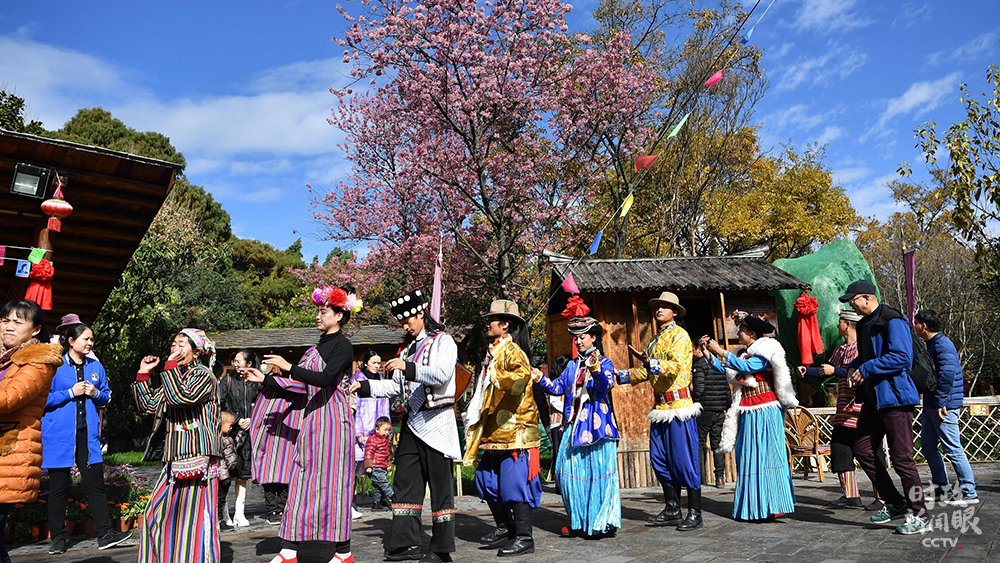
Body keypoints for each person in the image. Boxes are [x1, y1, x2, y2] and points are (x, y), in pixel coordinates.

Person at [242, 286, 360, 563]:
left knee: (335, 487)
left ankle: (343, 553)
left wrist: (288, 365)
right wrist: (266, 380)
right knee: (302, 483)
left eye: (324, 311)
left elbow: (325, 379)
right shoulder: (316, 347)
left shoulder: (343, 346)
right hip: (313, 422)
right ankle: (288, 551)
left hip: (334, 424)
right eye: (318, 311)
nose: (318, 316)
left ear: (340, 315)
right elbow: (302, 385)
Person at [350, 289, 460, 563]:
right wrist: (363, 386)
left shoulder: (443, 341)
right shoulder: (409, 349)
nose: (405, 326)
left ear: (421, 314)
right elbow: (395, 386)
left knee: (440, 487)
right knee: (404, 482)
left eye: (408, 320)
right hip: (413, 422)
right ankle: (406, 543)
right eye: (401, 322)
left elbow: (442, 374)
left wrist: (407, 367)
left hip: (437, 423)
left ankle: (441, 550)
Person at [841, 280, 929, 535]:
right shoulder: (865, 323)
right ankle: (895, 502)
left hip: (896, 398)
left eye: (853, 299)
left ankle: (921, 514)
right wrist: (853, 366)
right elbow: (865, 356)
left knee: (902, 459)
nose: (851, 304)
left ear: (867, 297)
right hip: (872, 400)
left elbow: (902, 357)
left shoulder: (893, 320)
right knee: (862, 449)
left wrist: (866, 369)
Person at [133, 328, 224, 563]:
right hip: (175, 457)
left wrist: (168, 370)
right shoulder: (174, 375)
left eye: (182, 344)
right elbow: (151, 405)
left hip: (198, 455)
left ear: (196, 352)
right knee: (156, 512)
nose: (175, 348)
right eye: (174, 343)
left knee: (195, 518)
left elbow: (181, 398)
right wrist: (143, 374)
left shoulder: (204, 375)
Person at [532, 297, 620, 539]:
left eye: (583, 336)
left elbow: (607, 384)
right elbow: (557, 388)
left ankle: (599, 522)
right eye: (576, 337)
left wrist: (595, 369)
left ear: (593, 337)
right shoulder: (571, 366)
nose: (578, 340)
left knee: (596, 476)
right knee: (568, 475)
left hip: (597, 427)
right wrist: (537, 377)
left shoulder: (604, 362)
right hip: (573, 426)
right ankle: (578, 521)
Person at [616, 292, 703, 531]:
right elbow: (648, 372)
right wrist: (619, 375)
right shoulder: (656, 340)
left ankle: (695, 512)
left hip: (679, 408)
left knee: (684, 460)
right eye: (657, 306)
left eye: (665, 307)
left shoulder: (680, 336)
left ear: (675, 311)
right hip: (660, 407)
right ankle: (672, 507)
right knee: (660, 458)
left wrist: (649, 362)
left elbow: (674, 367)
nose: (659, 310)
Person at [43, 322, 131, 554]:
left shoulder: (96, 367)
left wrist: (96, 393)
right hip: (59, 435)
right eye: (86, 339)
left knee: (96, 485)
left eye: (92, 339)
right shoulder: (55, 366)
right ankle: (59, 539)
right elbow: (42, 400)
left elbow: (106, 398)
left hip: (87, 436)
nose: (90, 343)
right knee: (59, 487)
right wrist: (70, 393)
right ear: (71, 341)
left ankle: (105, 534)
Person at [464, 299, 540, 557]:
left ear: (505, 325)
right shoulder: (493, 352)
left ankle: (524, 537)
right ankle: (505, 527)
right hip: (494, 430)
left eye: (492, 320)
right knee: (486, 480)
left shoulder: (513, 352)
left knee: (513, 485)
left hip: (515, 431)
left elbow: (520, 382)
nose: (487, 324)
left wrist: (498, 376)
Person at [706, 312, 797, 522]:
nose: (738, 333)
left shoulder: (766, 350)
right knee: (748, 456)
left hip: (766, 410)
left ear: (752, 333)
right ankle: (754, 506)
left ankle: (772, 505)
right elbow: (729, 368)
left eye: (741, 330)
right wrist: (709, 355)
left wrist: (720, 350)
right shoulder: (743, 354)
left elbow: (747, 368)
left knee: (767, 456)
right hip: (747, 410)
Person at [0, 300, 62, 562]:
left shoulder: (38, 362)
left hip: (10, 457)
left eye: (18, 321)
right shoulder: (5, 360)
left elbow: (8, 398)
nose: (9, 326)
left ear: (35, 330)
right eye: (5, 320)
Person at [796, 309, 877, 509]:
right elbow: (828, 369)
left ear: (848, 324)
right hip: (843, 411)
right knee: (840, 450)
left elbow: (860, 371)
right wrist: (808, 372)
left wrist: (837, 371)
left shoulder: (863, 348)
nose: (837, 325)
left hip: (861, 409)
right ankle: (850, 495)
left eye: (840, 321)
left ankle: (882, 495)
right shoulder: (841, 349)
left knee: (870, 452)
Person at [914, 309, 979, 505]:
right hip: (932, 403)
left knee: (952, 448)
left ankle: (969, 491)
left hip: (944, 405)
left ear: (924, 326)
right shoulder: (931, 345)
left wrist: (941, 401)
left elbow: (948, 374)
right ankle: (942, 488)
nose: (913, 326)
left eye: (915, 323)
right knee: (928, 446)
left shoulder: (943, 345)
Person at [249, 360, 309, 526]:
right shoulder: (265, 391)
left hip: (281, 438)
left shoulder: (292, 388)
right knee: (274, 478)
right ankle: (274, 510)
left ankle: (278, 510)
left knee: (281, 476)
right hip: (273, 438)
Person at [219, 350, 262, 528]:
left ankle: (239, 512)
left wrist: (252, 419)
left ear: (249, 364)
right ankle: (224, 512)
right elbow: (220, 402)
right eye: (234, 361)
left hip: (248, 433)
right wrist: (236, 419)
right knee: (226, 473)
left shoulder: (256, 382)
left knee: (243, 474)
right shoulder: (227, 380)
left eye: (238, 361)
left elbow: (261, 403)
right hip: (230, 433)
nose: (235, 364)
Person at [691, 338, 731, 490]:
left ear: (700, 350)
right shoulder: (720, 364)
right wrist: (726, 406)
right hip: (719, 410)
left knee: (698, 443)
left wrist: (695, 403)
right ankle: (719, 478)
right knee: (717, 444)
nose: (692, 352)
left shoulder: (699, 366)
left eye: (693, 349)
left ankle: (695, 476)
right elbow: (727, 390)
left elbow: (699, 388)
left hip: (705, 410)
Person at [351, 350, 389, 510]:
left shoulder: (381, 381)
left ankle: (378, 500)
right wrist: (358, 431)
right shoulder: (357, 380)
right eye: (374, 362)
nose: (377, 366)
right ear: (366, 363)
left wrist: (386, 428)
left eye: (379, 363)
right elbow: (354, 407)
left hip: (378, 430)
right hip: (362, 429)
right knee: (356, 464)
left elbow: (385, 405)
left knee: (379, 464)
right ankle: (351, 501)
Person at [218, 411, 246, 531]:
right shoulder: (217, 440)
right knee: (219, 499)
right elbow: (220, 459)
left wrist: (242, 433)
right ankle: (219, 520)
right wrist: (223, 474)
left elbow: (235, 446)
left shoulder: (228, 438)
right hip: (221, 475)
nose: (231, 427)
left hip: (228, 474)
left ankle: (220, 520)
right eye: (229, 425)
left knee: (222, 498)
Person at [364, 416, 394, 511]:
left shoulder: (386, 441)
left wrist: (389, 467)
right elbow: (369, 452)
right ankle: (394, 498)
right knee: (384, 484)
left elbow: (387, 455)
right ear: (377, 429)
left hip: (382, 467)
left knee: (379, 486)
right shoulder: (373, 439)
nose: (387, 432)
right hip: (375, 467)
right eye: (385, 430)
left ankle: (377, 503)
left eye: (388, 430)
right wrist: (368, 466)